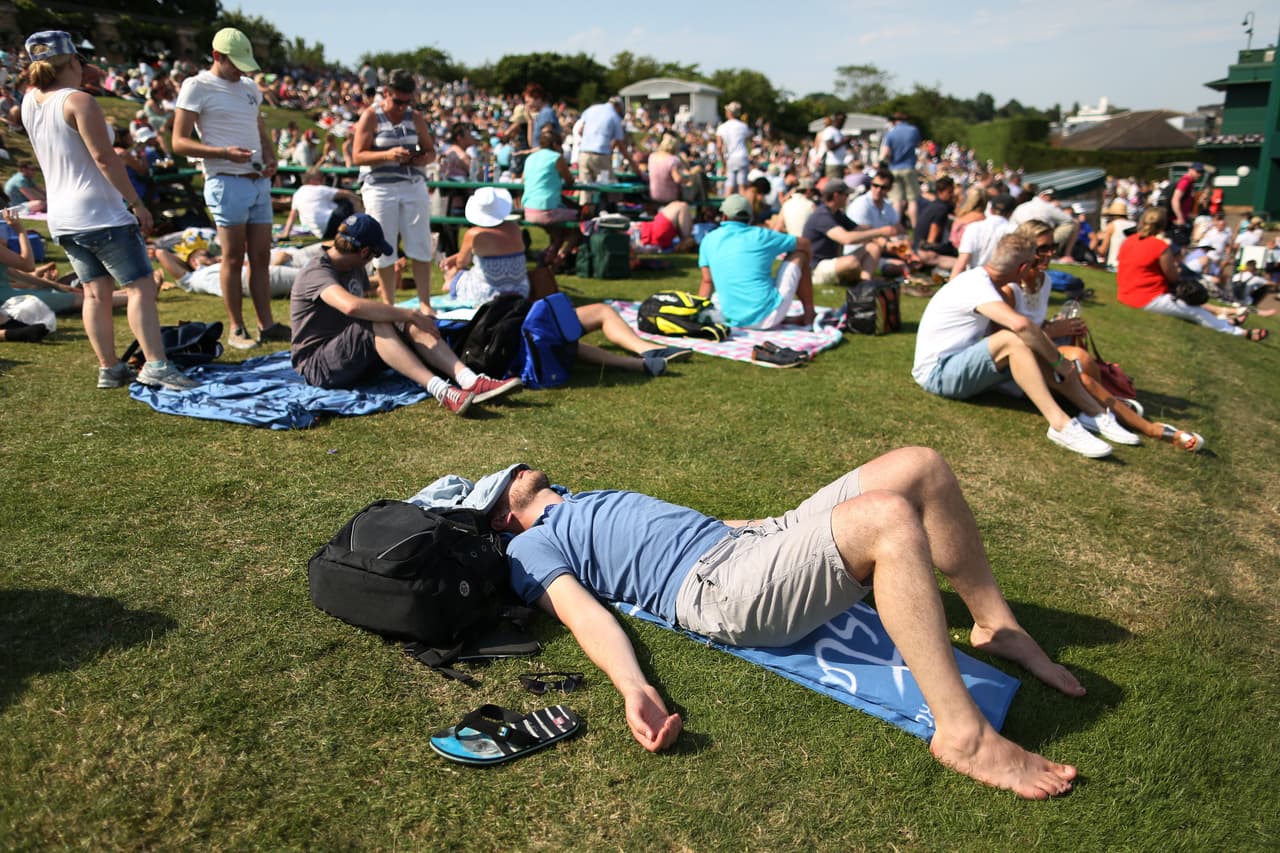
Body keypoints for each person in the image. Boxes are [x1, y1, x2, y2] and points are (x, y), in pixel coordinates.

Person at [488, 451, 1083, 800]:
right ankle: (964, 736)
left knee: (919, 466)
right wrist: (633, 687)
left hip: (745, 540)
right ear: (502, 516)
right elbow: (583, 613)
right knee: (887, 521)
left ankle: (995, 626)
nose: (518, 466)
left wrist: (772, 527)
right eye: (504, 476)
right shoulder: (530, 549)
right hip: (715, 589)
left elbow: (684, 527)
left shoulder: (579, 500)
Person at [21, 30, 196, 391]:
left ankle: (110, 368)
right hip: (98, 211)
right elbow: (105, 158)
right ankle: (156, 364)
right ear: (72, 62)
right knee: (140, 288)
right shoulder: (79, 101)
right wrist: (136, 202)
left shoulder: (29, 101)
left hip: (63, 216)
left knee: (95, 293)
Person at [912, 232, 1136, 458]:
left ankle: (1095, 413)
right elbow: (1020, 325)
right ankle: (1061, 425)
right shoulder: (976, 285)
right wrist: (1059, 362)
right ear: (1023, 268)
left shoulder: (981, 280)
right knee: (1015, 339)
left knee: (1029, 341)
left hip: (956, 366)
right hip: (937, 374)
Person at [1000, 220, 1203, 452]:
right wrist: (1054, 331)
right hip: (1018, 363)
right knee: (1081, 367)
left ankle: (1107, 410)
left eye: (1053, 246)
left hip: (1042, 348)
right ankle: (1147, 427)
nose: (1050, 254)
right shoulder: (1011, 286)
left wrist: (1060, 325)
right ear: (1026, 250)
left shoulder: (1044, 281)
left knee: (1081, 366)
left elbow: (1035, 322)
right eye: (1042, 249)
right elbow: (1010, 337)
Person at [289, 213, 521, 415]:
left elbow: (367, 294)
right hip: (318, 366)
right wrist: (407, 313)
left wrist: (407, 309)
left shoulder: (352, 266)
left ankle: (469, 380)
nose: (375, 259)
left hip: (347, 355)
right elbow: (351, 306)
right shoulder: (317, 272)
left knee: (400, 319)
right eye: (376, 254)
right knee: (380, 321)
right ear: (365, 251)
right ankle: (442, 391)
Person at [172, 27, 287, 351]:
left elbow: (258, 126)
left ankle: (267, 325)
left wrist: (271, 157)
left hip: (257, 181)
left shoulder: (249, 86)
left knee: (261, 258)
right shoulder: (196, 85)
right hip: (225, 180)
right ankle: (237, 328)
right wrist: (224, 153)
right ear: (217, 56)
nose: (240, 70)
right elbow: (179, 141)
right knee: (233, 259)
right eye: (234, 63)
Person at [350, 68, 436, 307]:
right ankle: (388, 303)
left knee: (420, 243)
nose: (402, 107)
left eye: (407, 102)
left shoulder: (415, 117)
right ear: (386, 92)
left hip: (412, 183)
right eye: (398, 101)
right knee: (383, 244)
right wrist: (387, 155)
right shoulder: (370, 116)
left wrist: (421, 158)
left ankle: (425, 303)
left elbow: (431, 151)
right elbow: (357, 155)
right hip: (380, 187)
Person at [1116, 208, 1267, 341]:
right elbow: (1173, 277)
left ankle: (1229, 322)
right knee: (1195, 311)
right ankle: (1238, 332)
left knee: (1190, 304)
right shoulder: (1160, 246)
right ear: (1163, 225)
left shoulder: (1129, 241)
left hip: (1126, 293)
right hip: (1146, 298)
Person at [697, 195, 814, 328]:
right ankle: (809, 313)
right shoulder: (762, 235)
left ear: (724, 216)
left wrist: (698, 312)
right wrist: (807, 269)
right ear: (750, 217)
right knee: (800, 254)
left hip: (732, 318)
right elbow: (805, 244)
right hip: (767, 316)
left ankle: (783, 317)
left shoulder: (709, 239)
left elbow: (707, 281)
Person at [439, 188, 531, 305]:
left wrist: (451, 271)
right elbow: (499, 250)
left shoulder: (474, 234)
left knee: (455, 275)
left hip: (488, 293)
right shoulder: (514, 228)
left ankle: (449, 284)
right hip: (520, 290)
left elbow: (461, 262)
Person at [519, 127, 580, 270]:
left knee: (558, 233)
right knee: (582, 224)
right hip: (546, 210)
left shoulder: (530, 158)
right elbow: (569, 180)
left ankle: (548, 259)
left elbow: (523, 180)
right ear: (556, 145)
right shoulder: (555, 158)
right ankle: (560, 258)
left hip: (528, 209)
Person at [800, 179, 865, 287]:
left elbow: (859, 229)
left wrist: (880, 235)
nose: (847, 198)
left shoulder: (837, 214)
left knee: (872, 247)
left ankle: (866, 281)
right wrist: (881, 232)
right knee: (851, 262)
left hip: (831, 262)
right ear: (836, 195)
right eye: (846, 195)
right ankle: (860, 281)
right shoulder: (822, 215)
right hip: (816, 268)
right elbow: (846, 239)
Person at [281, 167, 362, 242]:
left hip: (321, 234)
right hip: (333, 224)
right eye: (322, 178)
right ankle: (362, 224)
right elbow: (347, 193)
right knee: (346, 200)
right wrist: (361, 200)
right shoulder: (319, 189)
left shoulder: (297, 193)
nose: (324, 181)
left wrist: (286, 234)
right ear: (313, 181)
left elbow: (292, 215)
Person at [952, 193, 1016, 278]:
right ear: (1011, 213)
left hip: (974, 278)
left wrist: (950, 286)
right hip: (1000, 281)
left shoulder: (974, 227)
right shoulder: (1015, 230)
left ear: (990, 209)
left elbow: (962, 261)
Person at [1009, 186, 1077, 260]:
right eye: (1052, 198)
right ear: (1044, 196)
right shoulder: (1048, 206)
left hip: (1020, 241)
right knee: (1075, 223)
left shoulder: (1021, 207)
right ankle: (1066, 255)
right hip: (1038, 241)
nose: (1054, 200)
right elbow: (1071, 220)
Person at [879, 112, 922, 226]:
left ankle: (896, 226)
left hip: (894, 168)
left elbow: (885, 154)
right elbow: (918, 145)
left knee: (896, 200)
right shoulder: (913, 130)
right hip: (909, 167)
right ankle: (915, 226)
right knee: (912, 199)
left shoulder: (891, 133)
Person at [715, 101, 751, 195]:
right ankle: (743, 209)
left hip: (730, 158)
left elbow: (719, 146)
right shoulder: (744, 126)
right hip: (742, 157)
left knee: (729, 187)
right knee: (742, 187)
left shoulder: (722, 127)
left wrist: (723, 163)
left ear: (729, 112)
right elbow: (748, 142)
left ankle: (726, 209)